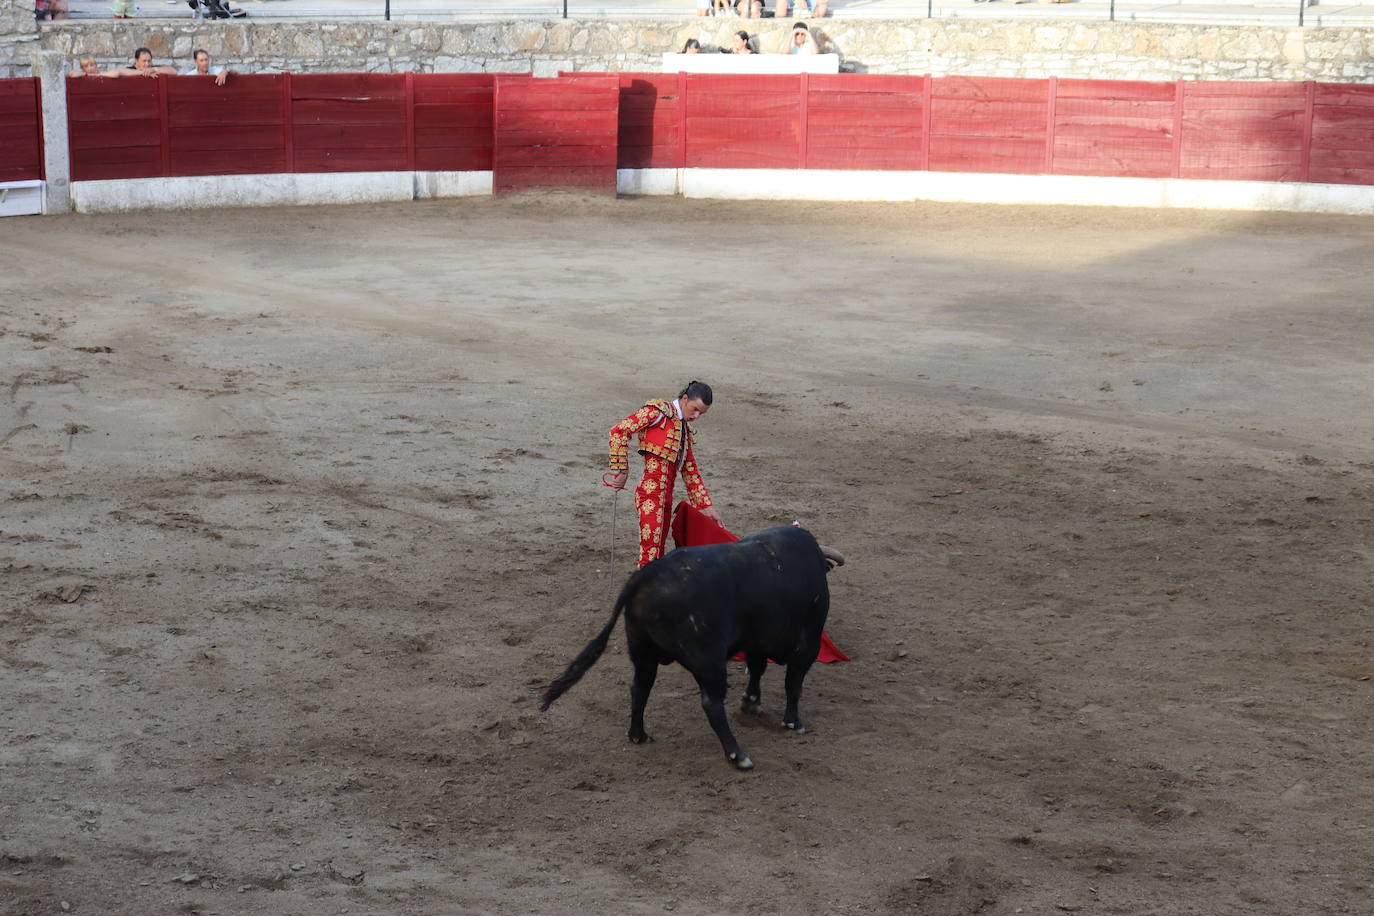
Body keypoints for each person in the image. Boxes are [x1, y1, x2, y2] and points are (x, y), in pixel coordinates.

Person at [607, 380, 722, 568]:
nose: (697, 415)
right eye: (695, 409)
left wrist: (707, 508)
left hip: (666, 497)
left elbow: (689, 469)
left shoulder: (683, 429)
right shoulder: (657, 412)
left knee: (657, 555)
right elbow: (618, 431)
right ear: (685, 399)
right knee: (650, 556)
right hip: (650, 496)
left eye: (701, 413)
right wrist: (622, 470)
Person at [104, 48, 177, 78]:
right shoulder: (130, 69)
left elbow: (173, 71)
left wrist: (154, 69)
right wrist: (142, 72)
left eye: (149, 61)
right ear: (136, 61)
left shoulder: (152, 68)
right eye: (144, 61)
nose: (147, 64)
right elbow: (118, 72)